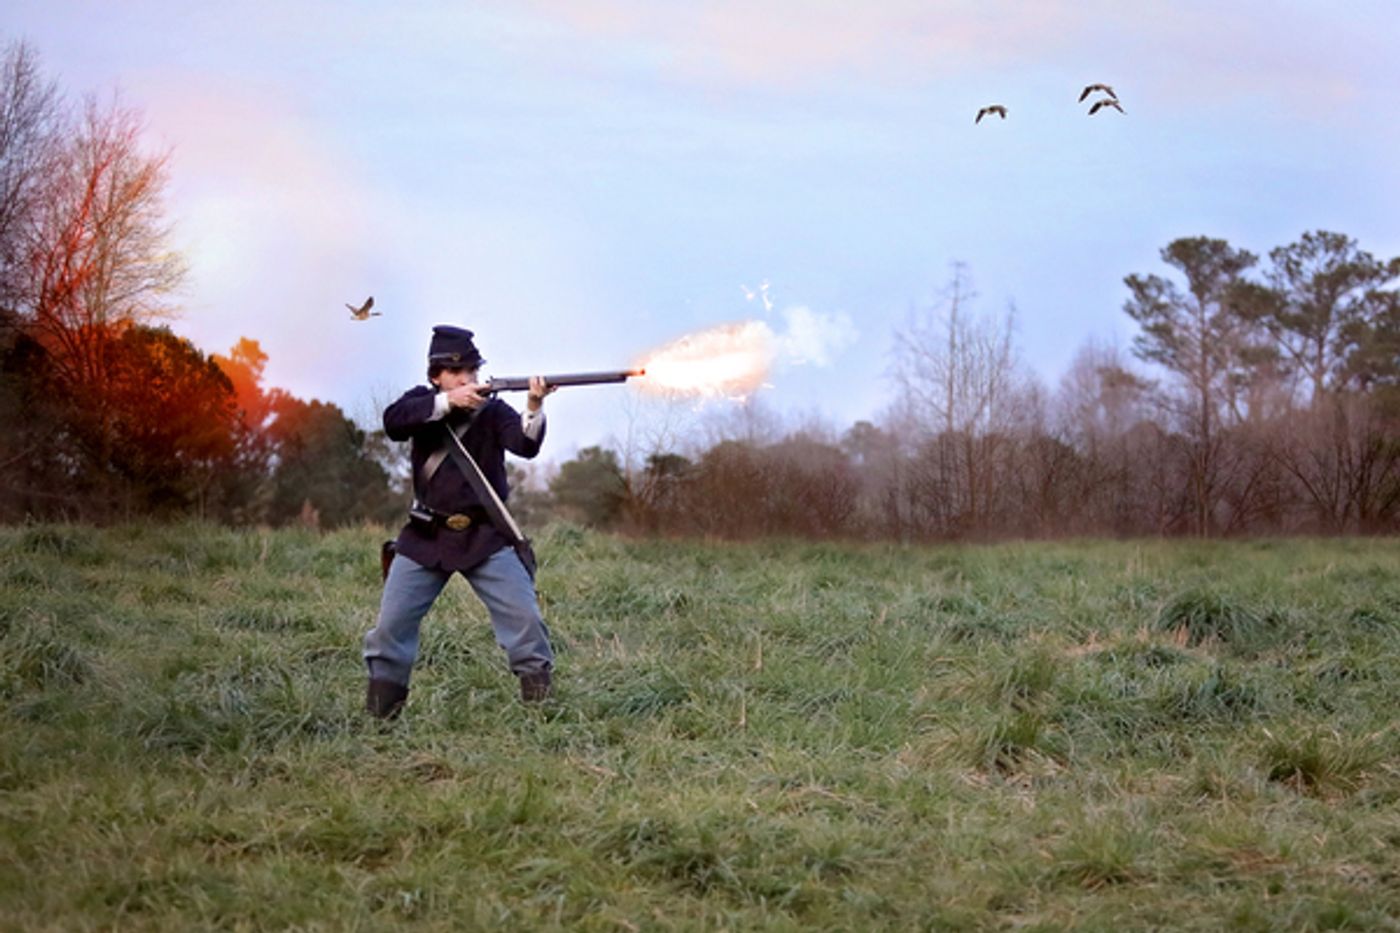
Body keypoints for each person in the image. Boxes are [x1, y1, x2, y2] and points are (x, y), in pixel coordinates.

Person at [363, 325, 557, 717]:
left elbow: (525, 445)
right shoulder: (422, 404)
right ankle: (380, 725)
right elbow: (394, 422)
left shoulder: (494, 410)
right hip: (425, 536)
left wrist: (534, 405)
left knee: (526, 622)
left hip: (486, 537)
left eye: (470, 369)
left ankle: (542, 719)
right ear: (436, 376)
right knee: (390, 630)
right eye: (455, 372)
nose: (466, 377)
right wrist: (448, 402)